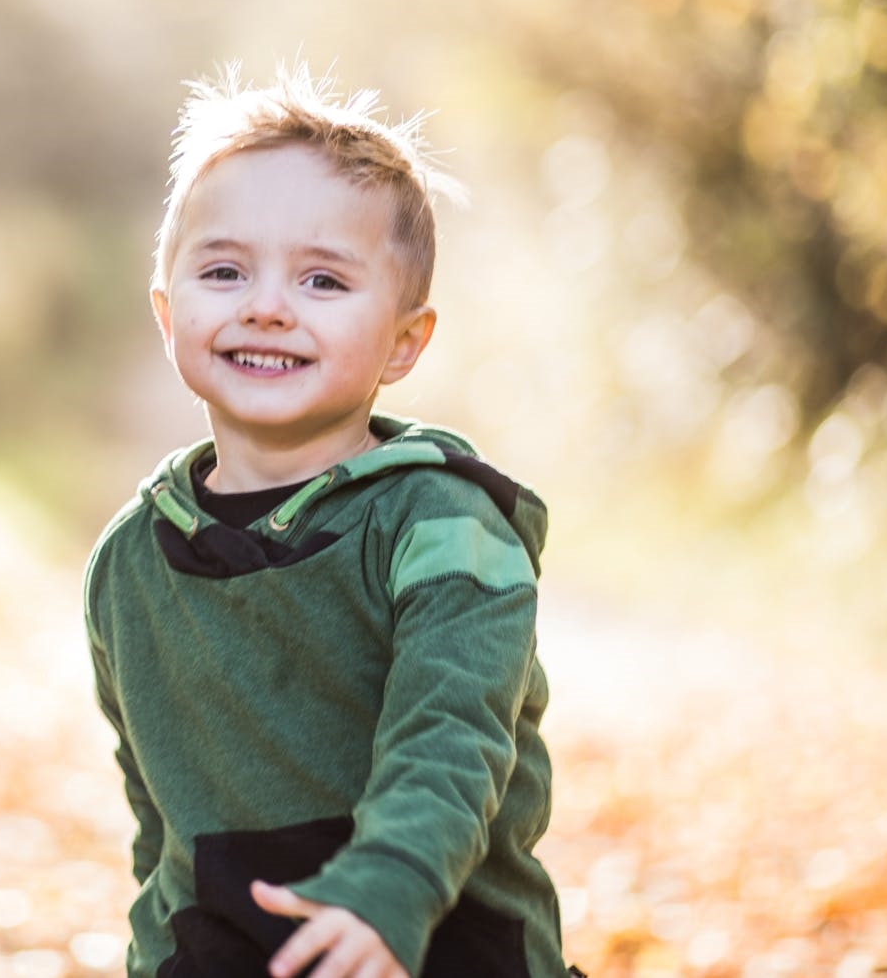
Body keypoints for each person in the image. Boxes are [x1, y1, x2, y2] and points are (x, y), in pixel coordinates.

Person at [84, 67, 578, 978]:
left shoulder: (443, 523)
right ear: (169, 312)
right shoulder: (129, 563)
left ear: (403, 340)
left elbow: (454, 733)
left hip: (443, 946)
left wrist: (386, 887)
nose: (266, 304)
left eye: (322, 279)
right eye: (226, 270)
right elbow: (160, 828)